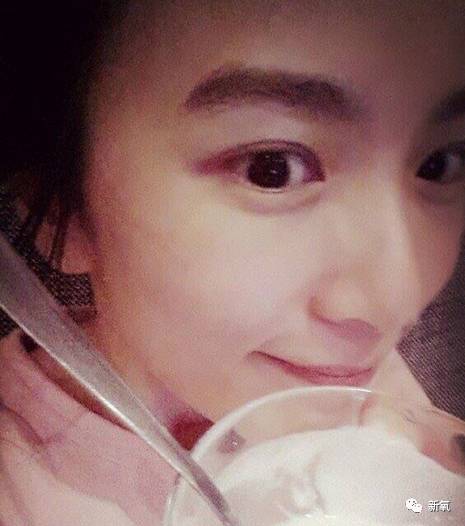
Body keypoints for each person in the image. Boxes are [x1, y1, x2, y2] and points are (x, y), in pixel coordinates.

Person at [1, 1, 464, 523]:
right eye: (272, 169)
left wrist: (433, 504)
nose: (398, 300)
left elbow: (423, 502)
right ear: (60, 212)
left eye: (439, 164)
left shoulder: (346, 372)